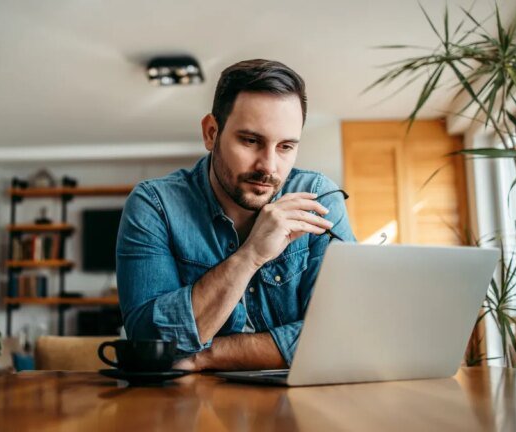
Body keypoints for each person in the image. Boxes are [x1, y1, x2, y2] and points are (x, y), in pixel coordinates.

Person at [116, 59, 356, 371]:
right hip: (189, 400)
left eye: (285, 147)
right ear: (211, 132)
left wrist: (205, 355)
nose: (268, 167)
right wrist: (251, 255)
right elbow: (149, 343)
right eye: (251, 141)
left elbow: (345, 332)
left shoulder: (319, 198)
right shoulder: (155, 205)